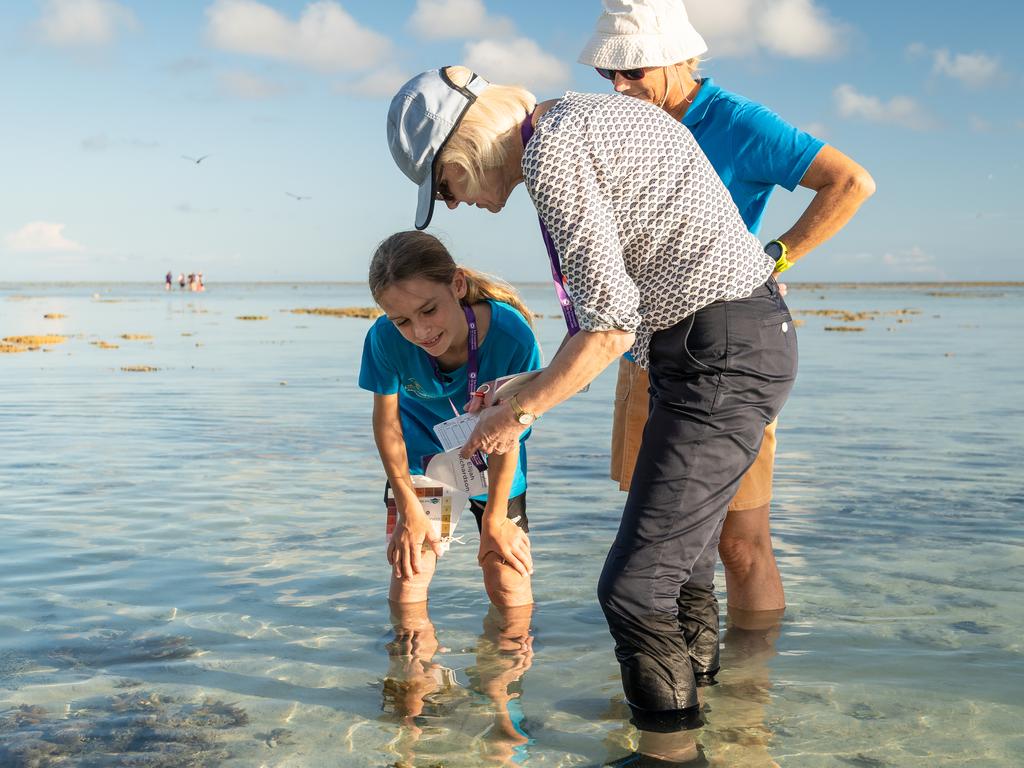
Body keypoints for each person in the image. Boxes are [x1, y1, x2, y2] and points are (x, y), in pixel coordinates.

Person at [386, 66, 798, 763]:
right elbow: (621, 315)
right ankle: (704, 728)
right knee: (684, 573)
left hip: (717, 353)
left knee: (633, 588)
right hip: (723, 341)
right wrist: (525, 387)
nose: (452, 206)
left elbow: (607, 327)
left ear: (463, 149)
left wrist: (514, 415)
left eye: (444, 186)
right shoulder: (580, 116)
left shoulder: (553, 152)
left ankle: (668, 756)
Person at [579, 0, 875, 620]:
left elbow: (851, 182)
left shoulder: (738, 121)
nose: (620, 87)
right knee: (659, 550)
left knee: (740, 543)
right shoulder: (620, 123)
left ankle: (748, 701)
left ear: (684, 57)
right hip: (644, 348)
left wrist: (774, 259)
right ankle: (686, 676)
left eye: (635, 71)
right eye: (610, 74)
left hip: (723, 354)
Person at [359, 230, 542, 609]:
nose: (420, 332)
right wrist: (407, 504)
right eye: (402, 321)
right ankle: (409, 667)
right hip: (423, 463)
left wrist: (495, 520)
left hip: (496, 463)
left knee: (507, 579)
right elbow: (388, 425)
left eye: (429, 310)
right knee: (410, 575)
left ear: (457, 285)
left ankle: (508, 666)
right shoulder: (383, 340)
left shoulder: (513, 338)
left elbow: (509, 435)